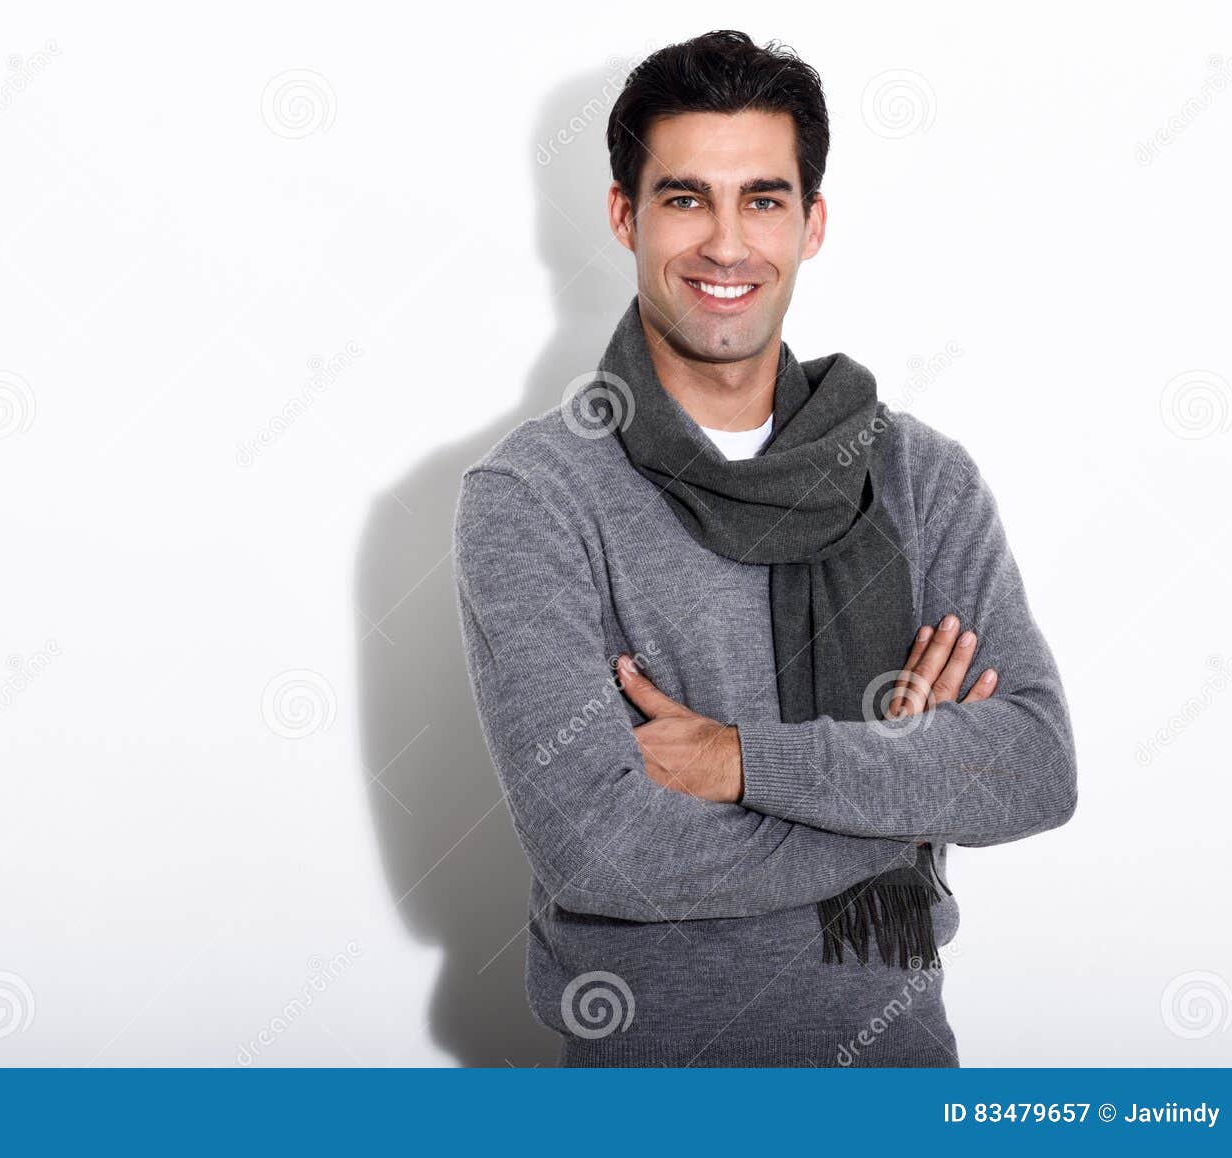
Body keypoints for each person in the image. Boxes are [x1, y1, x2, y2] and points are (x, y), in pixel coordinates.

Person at [452, 29, 1077, 1067]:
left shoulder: (919, 476)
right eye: (686, 198)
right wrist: (903, 788)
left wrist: (742, 761)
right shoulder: (534, 498)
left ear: (812, 222)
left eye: (764, 199)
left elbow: (1035, 768)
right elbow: (602, 851)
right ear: (624, 215)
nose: (727, 245)